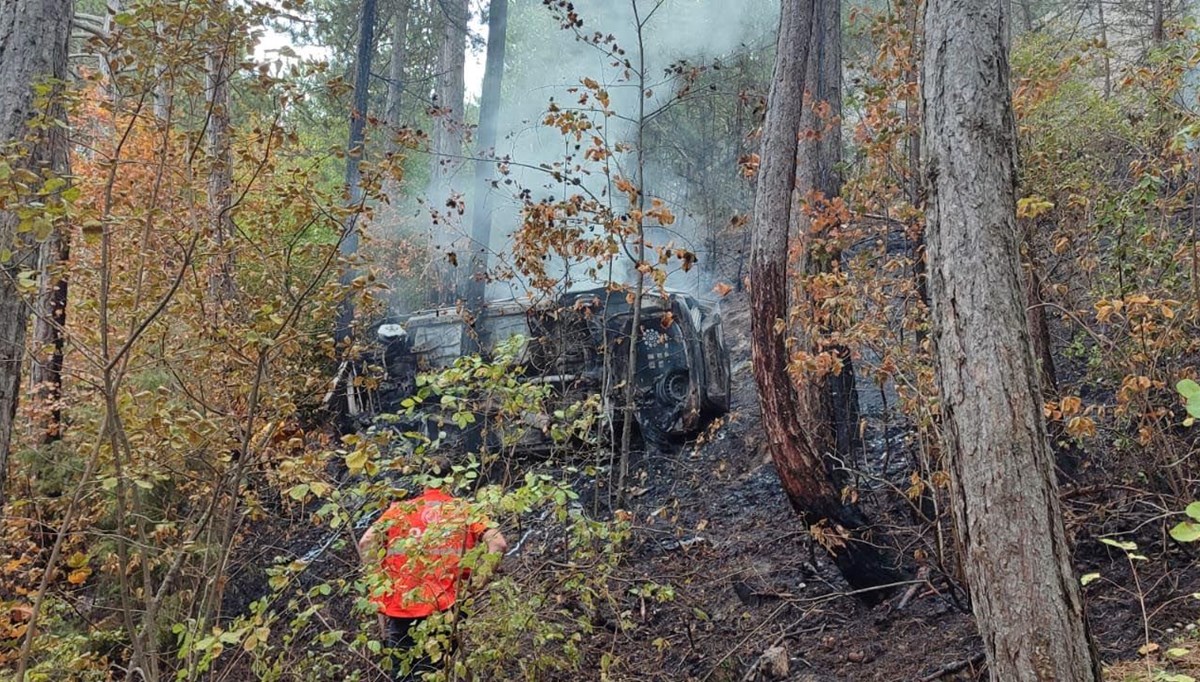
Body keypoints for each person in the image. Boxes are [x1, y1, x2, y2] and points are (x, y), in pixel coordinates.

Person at [358, 471, 508, 681]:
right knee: (437, 672)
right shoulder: (464, 510)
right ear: (451, 481)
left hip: (401, 605)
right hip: (447, 606)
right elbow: (498, 543)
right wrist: (477, 583)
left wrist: (378, 586)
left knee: (403, 674)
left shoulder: (400, 510)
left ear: (422, 482)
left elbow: (366, 542)